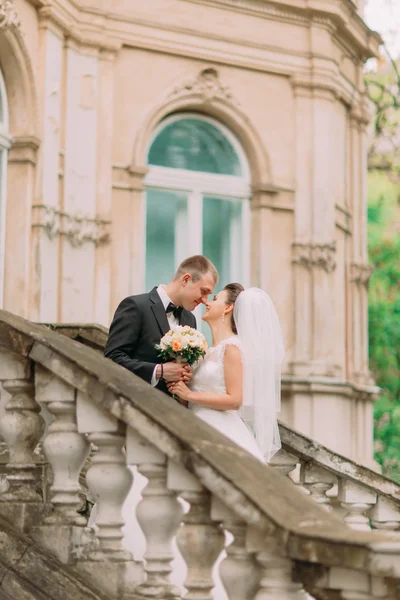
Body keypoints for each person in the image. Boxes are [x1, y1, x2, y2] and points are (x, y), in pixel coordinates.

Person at [169, 283, 285, 463]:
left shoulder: (233, 348)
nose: (207, 303)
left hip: (220, 428)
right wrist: (181, 385)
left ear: (228, 307)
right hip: (194, 423)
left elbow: (234, 400)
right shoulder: (205, 350)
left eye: (215, 299)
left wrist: (189, 394)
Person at [104, 255, 218, 396]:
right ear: (186, 279)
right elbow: (112, 359)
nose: (205, 300)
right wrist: (159, 371)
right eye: (203, 291)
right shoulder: (136, 306)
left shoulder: (190, 319)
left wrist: (185, 375)